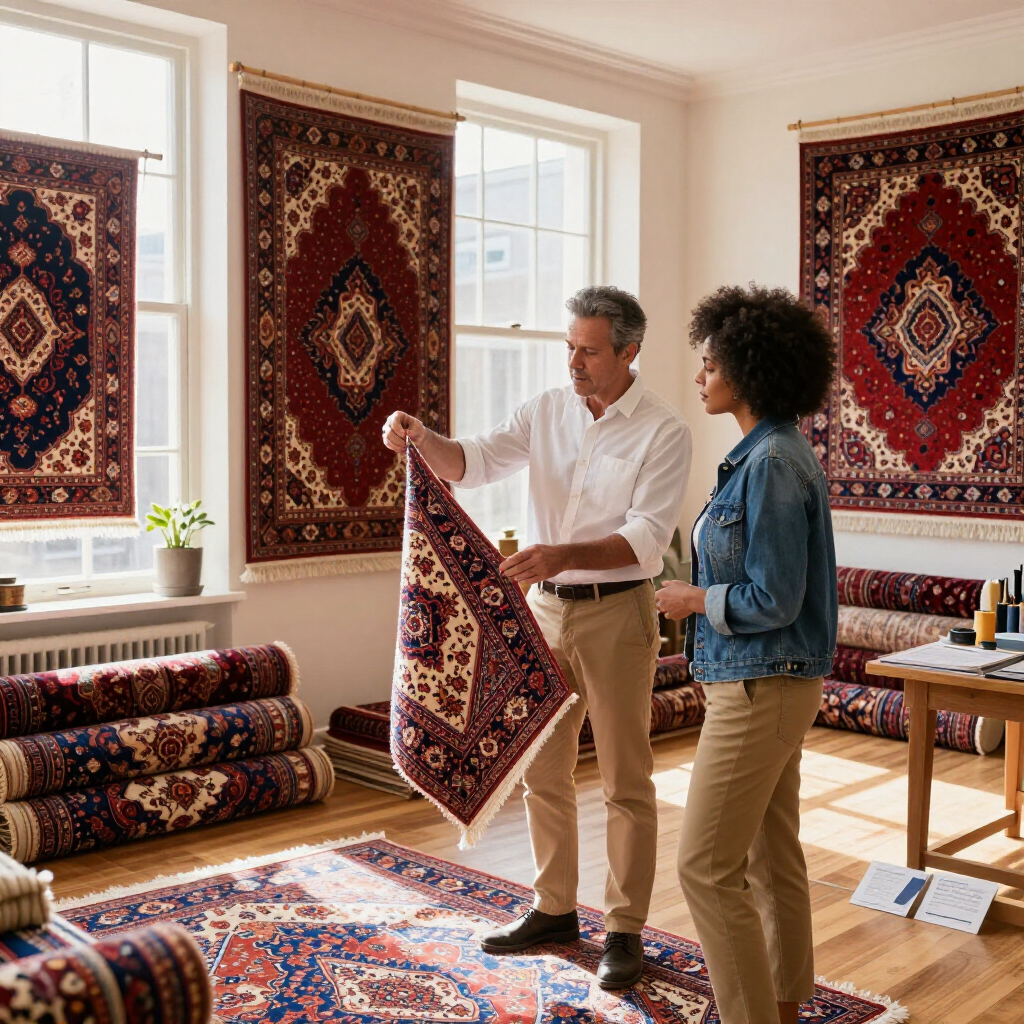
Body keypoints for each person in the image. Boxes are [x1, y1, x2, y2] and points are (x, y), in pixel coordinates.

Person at [383, 285, 691, 989]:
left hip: (620, 616)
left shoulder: (665, 430)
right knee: (541, 772)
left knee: (625, 780)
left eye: (588, 350)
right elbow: (474, 461)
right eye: (569, 346)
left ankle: (624, 930)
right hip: (544, 616)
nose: (573, 361)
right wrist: (419, 435)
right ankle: (553, 909)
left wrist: (560, 554)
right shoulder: (545, 410)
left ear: (629, 351)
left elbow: (646, 537)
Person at [655, 284, 837, 1024]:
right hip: (775, 683)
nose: (699, 376)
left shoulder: (768, 467)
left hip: (762, 686)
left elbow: (774, 599)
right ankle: (784, 1006)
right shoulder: (772, 454)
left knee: (702, 866)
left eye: (707, 364)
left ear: (745, 371)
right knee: (771, 855)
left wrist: (693, 600)